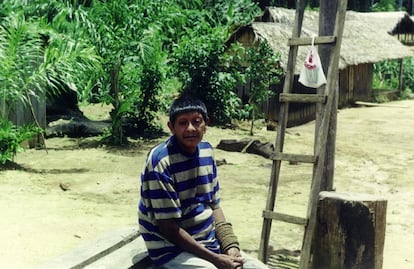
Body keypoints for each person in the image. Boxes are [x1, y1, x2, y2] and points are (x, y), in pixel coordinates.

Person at [138, 95, 268, 269]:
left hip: (207, 239)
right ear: (171, 127)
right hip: (168, 247)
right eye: (183, 123)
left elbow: (214, 205)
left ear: (206, 124)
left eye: (196, 121)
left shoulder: (206, 152)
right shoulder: (160, 162)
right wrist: (216, 259)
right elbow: (167, 227)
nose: (191, 128)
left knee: (257, 267)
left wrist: (231, 246)